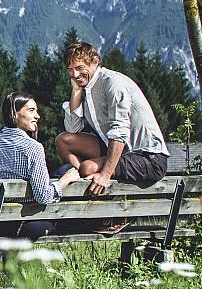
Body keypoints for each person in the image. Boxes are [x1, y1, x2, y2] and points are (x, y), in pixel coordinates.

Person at [55, 42, 171, 197]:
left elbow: (119, 131)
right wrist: (76, 91)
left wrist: (105, 175)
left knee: (88, 168)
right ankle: (82, 184)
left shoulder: (112, 82)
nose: (75, 75)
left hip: (147, 157)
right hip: (118, 150)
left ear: (95, 62)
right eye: (70, 70)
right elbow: (73, 129)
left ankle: (98, 206)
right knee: (63, 141)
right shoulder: (85, 87)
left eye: (80, 68)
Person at [0, 92, 82, 241]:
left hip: (0, 224)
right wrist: (65, 180)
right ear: (14, 114)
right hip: (28, 223)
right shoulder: (33, 148)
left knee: (62, 170)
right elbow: (43, 196)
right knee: (66, 171)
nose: (38, 116)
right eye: (31, 110)